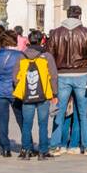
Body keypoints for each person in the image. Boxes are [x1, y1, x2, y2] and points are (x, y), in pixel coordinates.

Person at [45, 5, 87, 155]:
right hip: (81, 74)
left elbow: (49, 55)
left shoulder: (56, 33)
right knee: (83, 112)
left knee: (59, 111)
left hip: (61, 75)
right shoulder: (86, 32)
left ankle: (55, 145)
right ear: (79, 16)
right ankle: (86, 145)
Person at [13, 30, 58, 160]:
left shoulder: (21, 56)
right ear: (42, 40)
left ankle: (26, 150)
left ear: (28, 41)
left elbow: (15, 77)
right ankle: (43, 151)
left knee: (27, 124)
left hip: (27, 96)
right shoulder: (47, 56)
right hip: (43, 95)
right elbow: (53, 76)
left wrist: (21, 89)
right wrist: (54, 94)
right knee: (43, 124)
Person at [0, 29, 23, 158]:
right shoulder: (20, 55)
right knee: (21, 119)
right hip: (15, 90)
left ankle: (5, 148)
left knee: (2, 120)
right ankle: (26, 145)